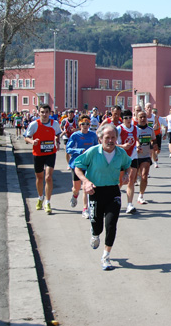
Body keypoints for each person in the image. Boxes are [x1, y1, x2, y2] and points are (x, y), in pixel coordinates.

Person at [74, 123, 132, 271]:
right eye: (107, 137)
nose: (111, 140)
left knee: (111, 225)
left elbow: (128, 165)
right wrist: (86, 182)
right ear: (100, 139)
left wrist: (126, 175)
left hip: (113, 191)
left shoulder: (120, 153)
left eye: (113, 137)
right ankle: (94, 233)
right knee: (97, 225)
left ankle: (106, 256)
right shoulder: (93, 152)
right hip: (95, 191)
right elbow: (78, 166)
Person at [24, 104, 62, 214]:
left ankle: (47, 201)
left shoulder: (54, 124)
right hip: (38, 154)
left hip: (50, 153)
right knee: (39, 178)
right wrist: (32, 142)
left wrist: (57, 142)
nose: (44, 114)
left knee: (48, 177)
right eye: (42, 112)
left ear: (50, 113)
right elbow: (26, 137)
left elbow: (57, 134)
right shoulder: (34, 124)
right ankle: (40, 197)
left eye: (46, 112)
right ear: (38, 113)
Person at [66, 115, 99, 218]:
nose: (85, 126)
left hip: (89, 164)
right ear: (79, 124)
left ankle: (85, 209)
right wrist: (80, 151)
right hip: (77, 164)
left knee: (86, 186)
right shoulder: (75, 135)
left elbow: (96, 148)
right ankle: (75, 195)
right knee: (76, 188)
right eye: (83, 124)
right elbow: (68, 149)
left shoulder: (93, 135)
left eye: (87, 123)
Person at [116, 110, 139, 214]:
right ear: (122, 119)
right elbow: (113, 144)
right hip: (121, 157)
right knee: (120, 181)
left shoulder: (135, 128)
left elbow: (137, 140)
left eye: (130, 117)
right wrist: (123, 146)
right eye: (126, 118)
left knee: (131, 180)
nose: (128, 120)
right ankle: (114, 198)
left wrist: (138, 146)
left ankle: (129, 204)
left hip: (133, 157)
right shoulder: (119, 129)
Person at [133, 110, 155, 205]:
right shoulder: (133, 129)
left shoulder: (150, 130)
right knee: (132, 179)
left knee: (144, 176)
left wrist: (153, 150)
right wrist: (136, 147)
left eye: (144, 117)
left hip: (145, 156)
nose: (142, 119)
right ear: (137, 118)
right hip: (135, 156)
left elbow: (153, 140)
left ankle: (141, 196)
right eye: (140, 117)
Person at [145, 103, 162, 168]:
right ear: (145, 109)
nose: (149, 109)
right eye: (148, 107)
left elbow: (157, 125)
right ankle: (151, 163)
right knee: (150, 150)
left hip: (153, 134)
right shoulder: (144, 116)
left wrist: (155, 127)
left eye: (150, 107)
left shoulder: (154, 116)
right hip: (146, 135)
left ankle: (155, 160)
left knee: (156, 149)